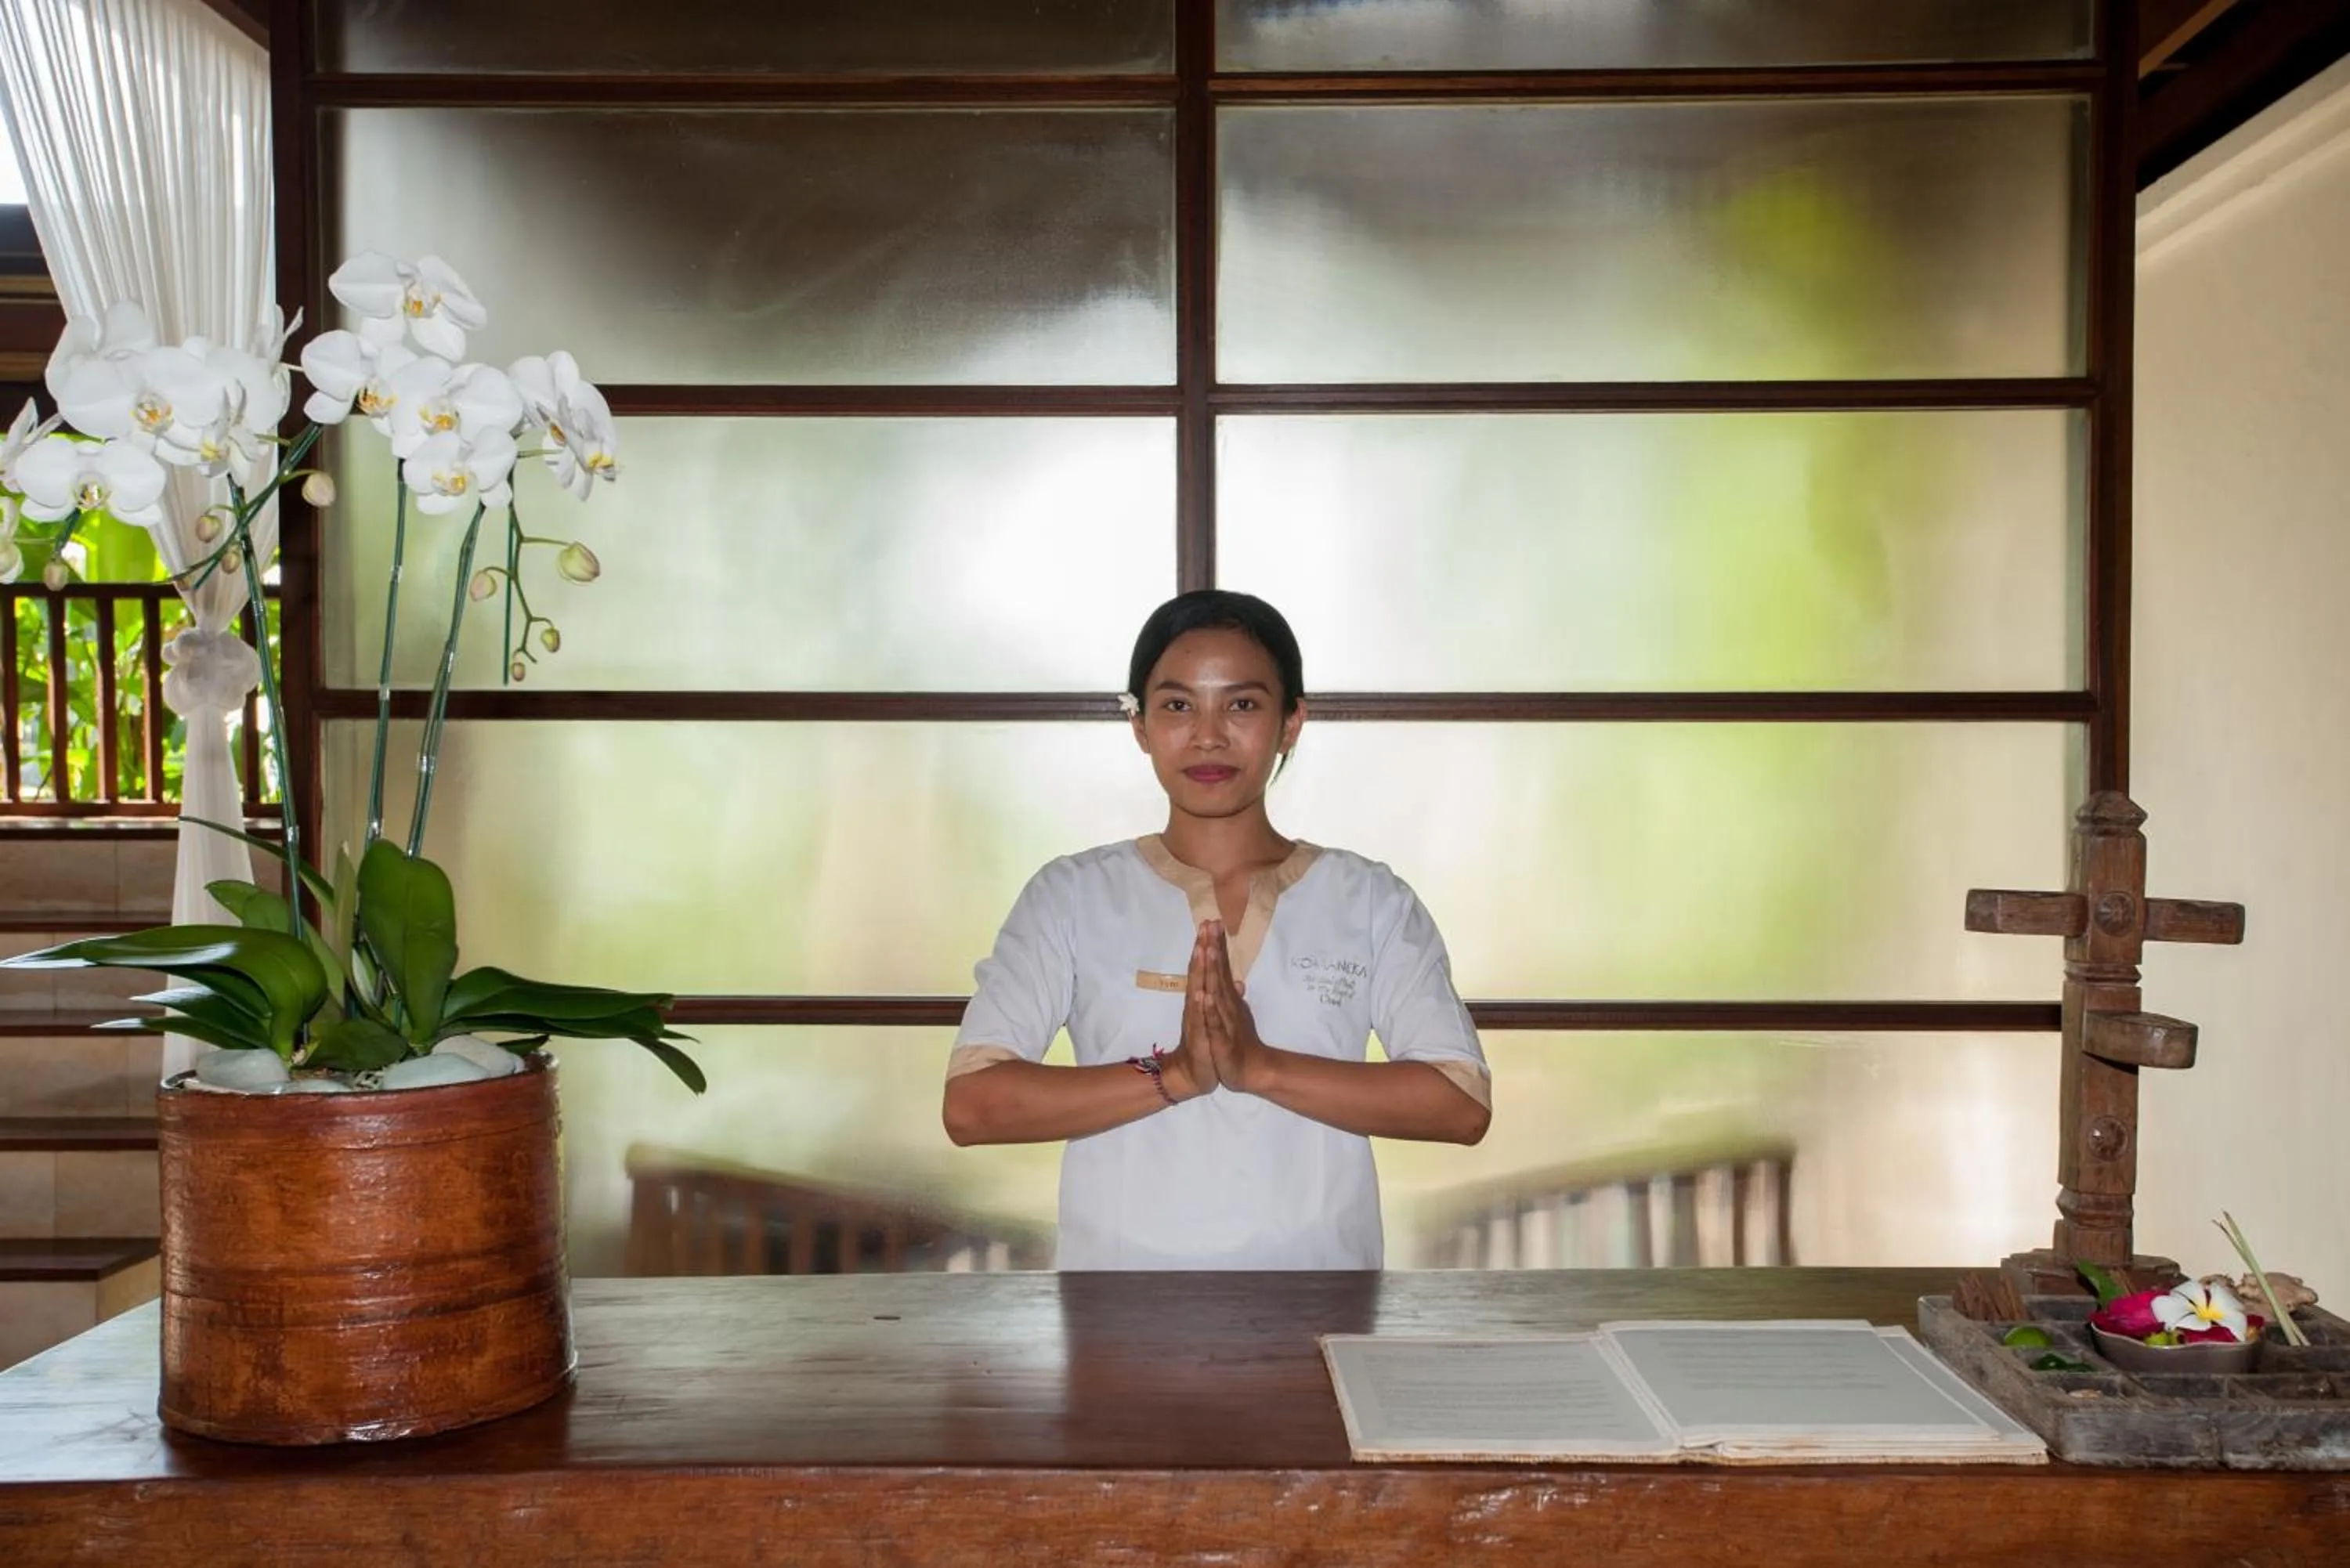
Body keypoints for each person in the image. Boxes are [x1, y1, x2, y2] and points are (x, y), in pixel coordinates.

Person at [942, 589, 1490, 1270]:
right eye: (1177, 706)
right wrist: (1172, 1074)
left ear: (1291, 723)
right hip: (1121, 1323)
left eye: (1242, 705)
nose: (1208, 735)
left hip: (1325, 1314)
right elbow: (973, 1105)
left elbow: (1460, 1104)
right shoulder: (1071, 896)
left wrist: (1260, 1067)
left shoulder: (1370, 898)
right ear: (1140, 726)